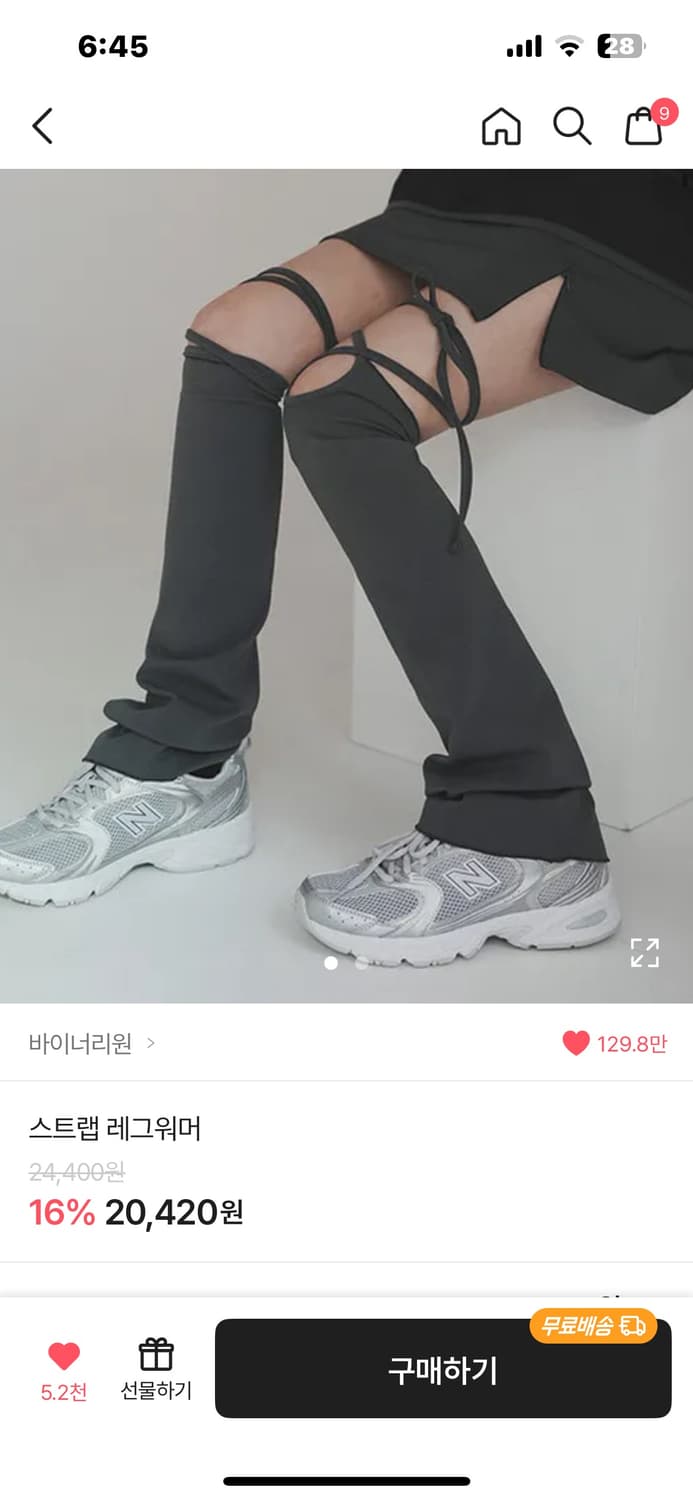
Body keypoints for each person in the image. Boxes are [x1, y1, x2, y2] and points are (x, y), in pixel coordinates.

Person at [2, 170, 692, 965]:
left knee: (342, 404)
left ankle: (529, 822)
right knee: (231, 337)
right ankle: (184, 753)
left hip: (640, 227)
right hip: (489, 188)